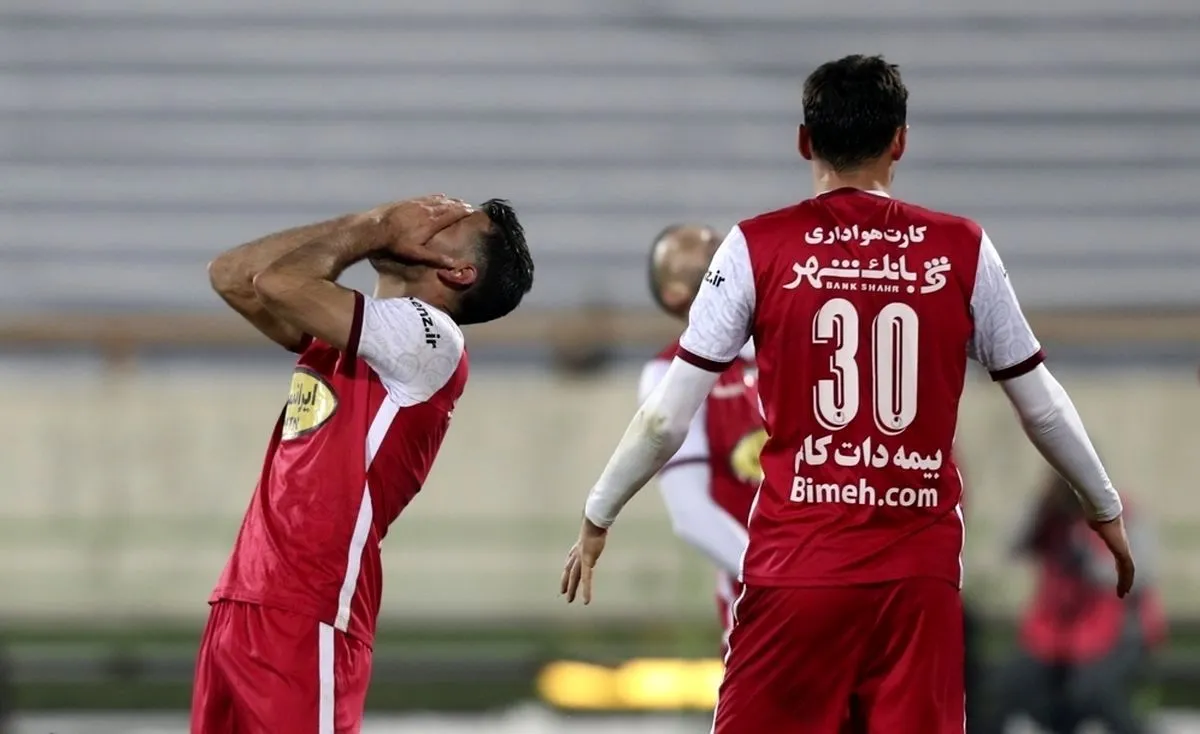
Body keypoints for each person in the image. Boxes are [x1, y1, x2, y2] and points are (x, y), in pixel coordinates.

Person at [560, 55, 1134, 734]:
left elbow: (664, 418)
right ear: (901, 141)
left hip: (797, 569)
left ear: (805, 141)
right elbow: (1041, 405)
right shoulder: (963, 248)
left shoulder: (756, 246)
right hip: (919, 580)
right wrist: (1103, 507)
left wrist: (598, 514)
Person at [192, 195, 534, 734]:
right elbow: (232, 275)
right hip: (244, 594)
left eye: (449, 220)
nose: (424, 212)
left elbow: (277, 283)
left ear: (459, 272)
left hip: (313, 607)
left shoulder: (431, 337)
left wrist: (376, 227)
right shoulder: (350, 332)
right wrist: (363, 225)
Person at [643, 224, 759, 654]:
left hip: (857, 583)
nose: (715, 245)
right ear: (675, 294)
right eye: (694, 249)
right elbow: (690, 512)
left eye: (716, 241)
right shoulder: (668, 373)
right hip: (763, 602)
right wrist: (777, 578)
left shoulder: (810, 341)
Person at [980, 473, 1166, 734]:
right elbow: (1011, 548)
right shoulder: (1049, 516)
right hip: (1054, 638)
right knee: (1009, 685)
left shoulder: (1120, 512)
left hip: (1113, 634)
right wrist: (1040, 506)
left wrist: (1092, 565)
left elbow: (1141, 573)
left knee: (1095, 691)